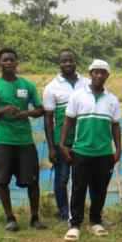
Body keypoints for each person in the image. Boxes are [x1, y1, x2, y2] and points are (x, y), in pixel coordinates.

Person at [0, 48, 46, 231]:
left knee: (33, 181)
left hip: (25, 140)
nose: (8, 62)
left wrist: (25, 113)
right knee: (2, 181)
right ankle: (10, 218)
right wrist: (2, 110)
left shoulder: (27, 85)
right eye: (5, 60)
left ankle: (34, 218)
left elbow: (40, 110)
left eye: (11, 60)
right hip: (3, 141)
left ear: (17, 63)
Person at [60, 59, 121, 242]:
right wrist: (62, 144)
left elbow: (116, 126)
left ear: (107, 76)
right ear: (90, 74)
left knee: (100, 189)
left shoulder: (112, 99)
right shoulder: (78, 96)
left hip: (104, 153)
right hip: (81, 151)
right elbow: (68, 121)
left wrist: (118, 149)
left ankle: (95, 221)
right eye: (96, 72)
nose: (99, 75)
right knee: (78, 188)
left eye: (103, 72)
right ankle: (75, 224)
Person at [42, 49, 89, 221]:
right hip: (61, 142)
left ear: (76, 61)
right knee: (62, 179)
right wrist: (51, 148)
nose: (67, 64)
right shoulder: (51, 87)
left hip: (84, 140)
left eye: (70, 60)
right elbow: (48, 120)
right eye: (64, 61)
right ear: (59, 63)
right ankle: (63, 212)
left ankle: (78, 212)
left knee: (81, 179)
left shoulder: (87, 83)